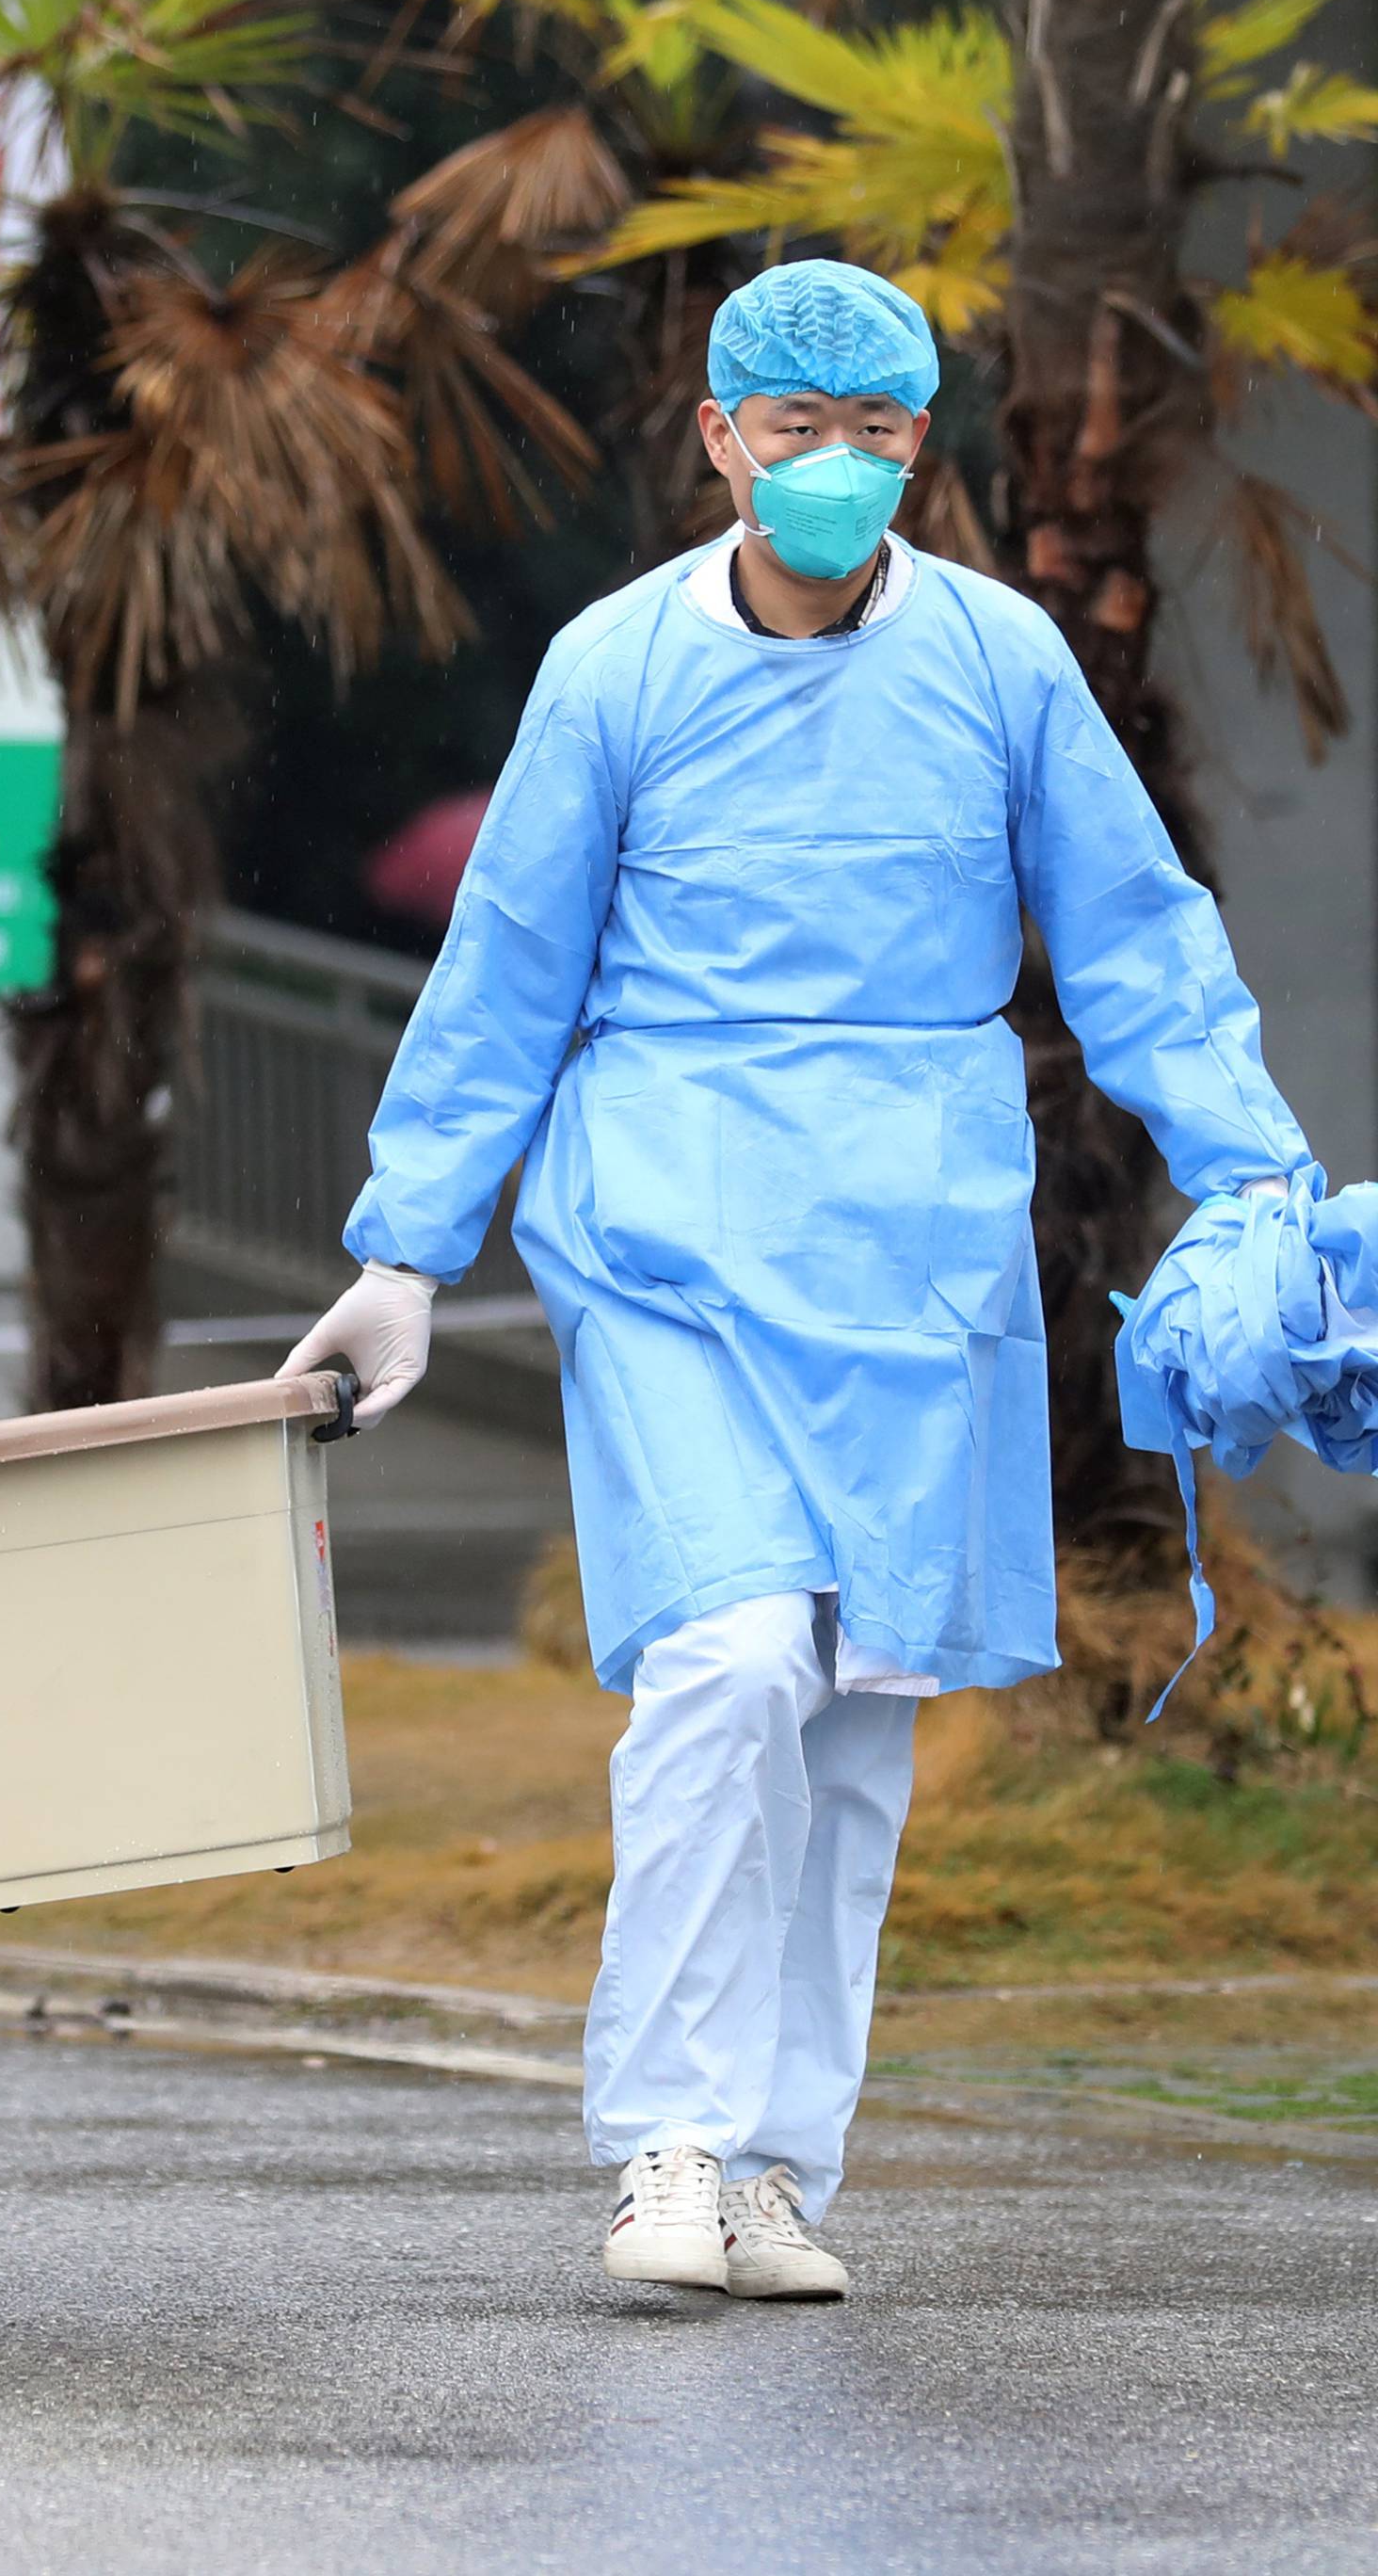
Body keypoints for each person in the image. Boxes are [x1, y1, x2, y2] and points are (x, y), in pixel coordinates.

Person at [279, 259, 1307, 2300]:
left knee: (853, 1715)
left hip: (914, 1243)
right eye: (794, 427)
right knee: (730, 1656)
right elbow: (507, 971)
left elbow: (1137, 945)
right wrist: (406, 1246)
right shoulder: (614, 671)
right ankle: (661, 2138)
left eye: (874, 430)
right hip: (662, 1221)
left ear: (918, 447)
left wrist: (1260, 1178)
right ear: (721, 438)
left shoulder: (1005, 667)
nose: (832, 463)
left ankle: (773, 2167)